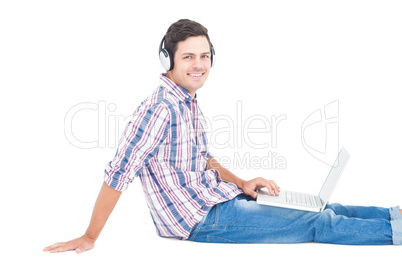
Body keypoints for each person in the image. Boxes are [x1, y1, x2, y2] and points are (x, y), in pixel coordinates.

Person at [44, 19, 402, 253]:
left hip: (219, 200)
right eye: (188, 57)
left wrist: (244, 182)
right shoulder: (160, 108)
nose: (198, 65)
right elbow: (118, 173)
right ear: (169, 60)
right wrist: (90, 236)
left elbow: (204, 159)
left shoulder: (186, 99)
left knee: (323, 206)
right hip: (200, 221)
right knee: (318, 222)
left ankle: (396, 215)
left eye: (204, 56)